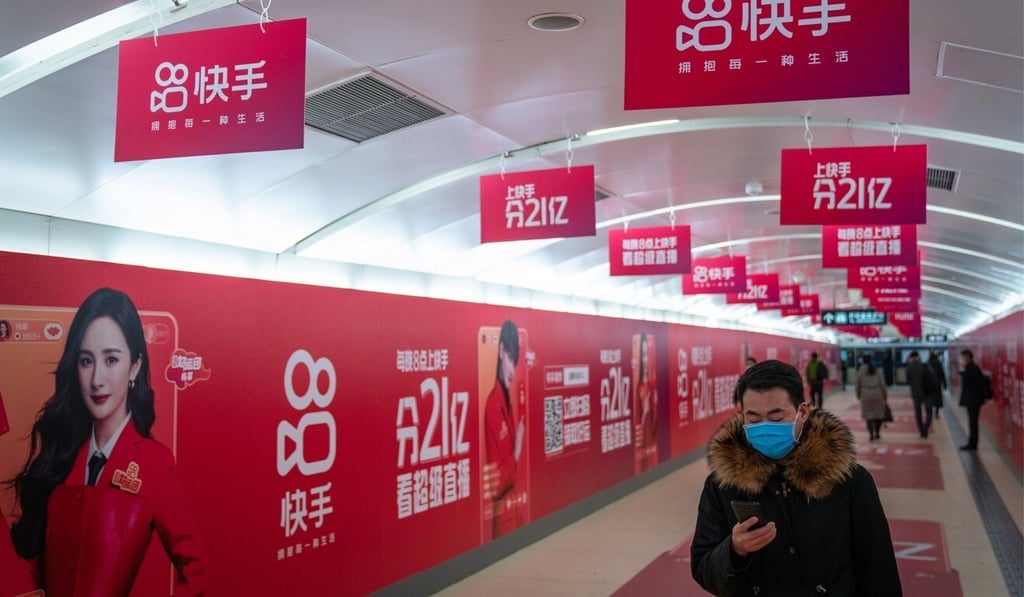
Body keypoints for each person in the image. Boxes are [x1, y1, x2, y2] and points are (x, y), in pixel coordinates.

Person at [8, 288, 206, 595]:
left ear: (135, 366)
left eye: (111, 359)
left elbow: (196, 568)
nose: (97, 378)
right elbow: (39, 567)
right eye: (86, 361)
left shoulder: (154, 463)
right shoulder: (63, 452)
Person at [690, 360, 901, 595]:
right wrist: (734, 551)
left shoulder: (849, 482)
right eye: (754, 419)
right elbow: (703, 570)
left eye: (776, 417)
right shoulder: (723, 486)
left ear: (802, 412)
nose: (765, 426)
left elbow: (879, 570)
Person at [482, 320, 526, 537]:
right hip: (504, 520)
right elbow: (495, 484)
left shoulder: (506, 402)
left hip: (514, 513)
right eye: (510, 358)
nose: (512, 371)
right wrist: (517, 451)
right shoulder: (493, 405)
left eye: (515, 362)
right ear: (500, 352)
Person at [633, 333, 657, 472]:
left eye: (646, 354)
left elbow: (655, 420)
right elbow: (639, 420)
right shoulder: (639, 387)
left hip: (651, 438)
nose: (645, 360)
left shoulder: (651, 386)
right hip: (643, 440)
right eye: (642, 355)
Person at [905, 351, 937, 438]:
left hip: (916, 393)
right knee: (929, 412)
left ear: (911, 358)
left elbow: (908, 381)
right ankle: (926, 426)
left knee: (918, 413)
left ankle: (921, 430)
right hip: (928, 392)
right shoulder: (925, 365)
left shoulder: (909, 367)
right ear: (918, 357)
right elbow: (933, 377)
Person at [856, 354, 888, 441]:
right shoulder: (877, 370)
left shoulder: (860, 371)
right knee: (879, 414)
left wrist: (858, 395)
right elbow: (882, 384)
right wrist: (885, 396)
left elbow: (858, 385)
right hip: (878, 393)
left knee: (869, 416)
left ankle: (871, 434)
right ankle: (877, 433)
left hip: (865, 394)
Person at [958, 349, 985, 451]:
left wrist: (962, 369)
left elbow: (967, 379)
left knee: (973, 422)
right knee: (972, 422)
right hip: (972, 399)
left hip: (973, 400)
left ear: (968, 358)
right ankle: (972, 442)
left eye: (964, 358)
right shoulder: (971, 368)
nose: (962, 360)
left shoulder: (972, 368)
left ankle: (973, 444)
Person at [928, 352, 947, 419]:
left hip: (929, 385)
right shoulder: (939, 364)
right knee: (938, 399)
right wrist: (945, 385)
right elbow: (942, 375)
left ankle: (929, 412)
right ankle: (936, 412)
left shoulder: (928, 364)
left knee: (930, 399)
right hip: (937, 384)